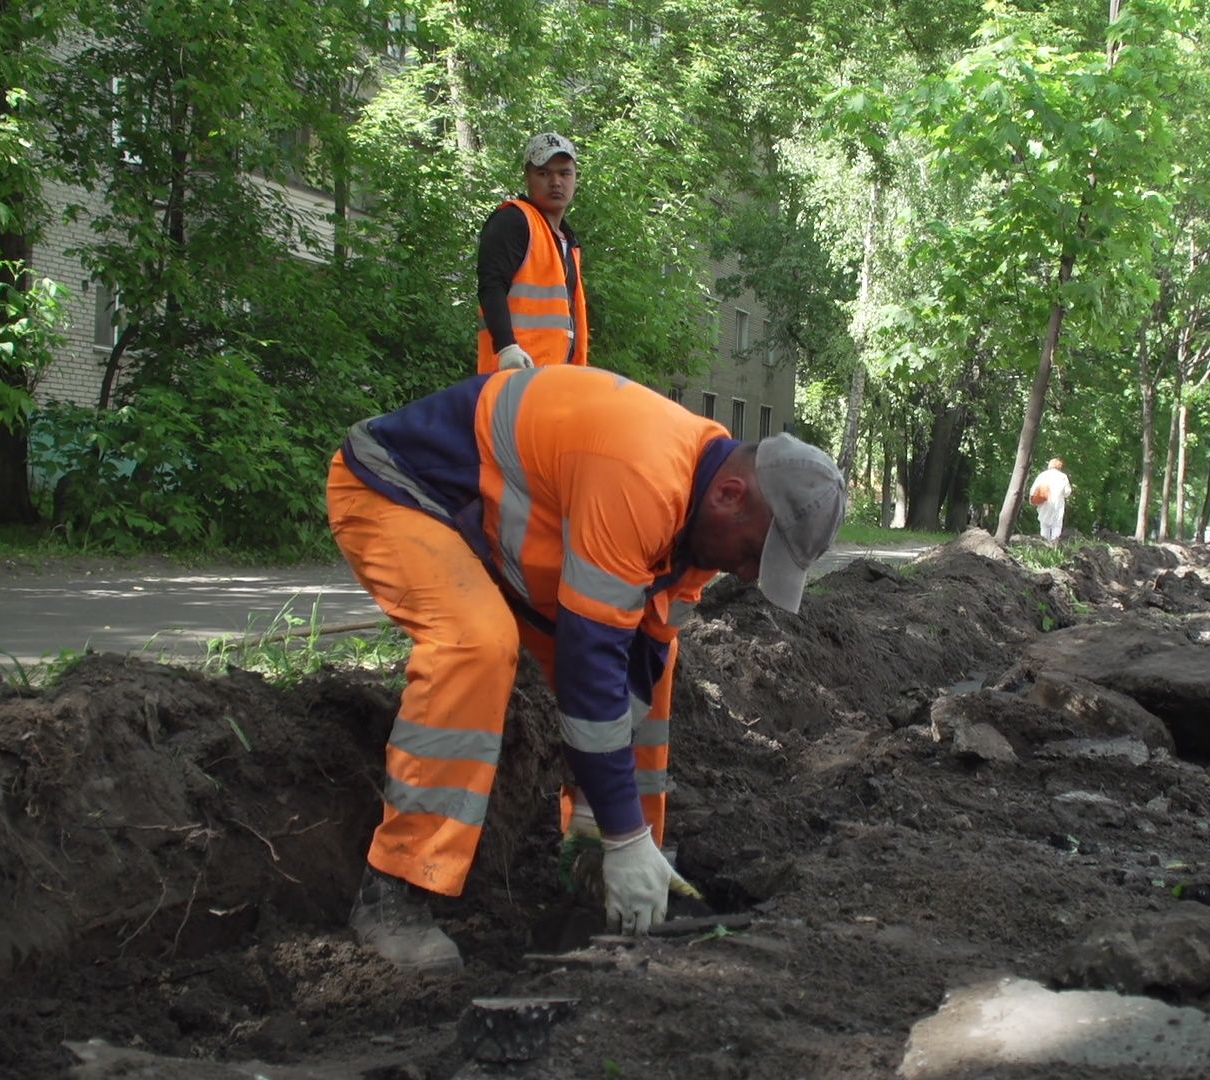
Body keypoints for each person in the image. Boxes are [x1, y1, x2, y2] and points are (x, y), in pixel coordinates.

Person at [327, 364, 847, 970]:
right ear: (731, 496)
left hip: (495, 535)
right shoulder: (643, 475)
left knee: (653, 681)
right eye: (756, 555)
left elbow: (636, 665)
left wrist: (619, 831)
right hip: (401, 491)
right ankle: (394, 891)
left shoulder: (704, 514)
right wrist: (625, 831)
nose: (752, 575)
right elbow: (587, 661)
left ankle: (607, 862)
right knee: (476, 643)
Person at [475, 132, 589, 373]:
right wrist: (506, 347)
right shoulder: (514, 220)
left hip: (554, 380)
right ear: (528, 177)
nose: (556, 181)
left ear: (575, 178)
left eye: (564, 173)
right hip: (514, 373)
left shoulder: (566, 241)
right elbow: (491, 285)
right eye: (544, 173)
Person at [1027, 457, 1072, 542]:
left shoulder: (1043, 475)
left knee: (1044, 525)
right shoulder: (1063, 477)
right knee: (1056, 526)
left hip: (1044, 504)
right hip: (1058, 506)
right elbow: (1067, 492)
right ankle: (1054, 546)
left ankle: (1044, 545)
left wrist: (1031, 500)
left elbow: (1033, 490)